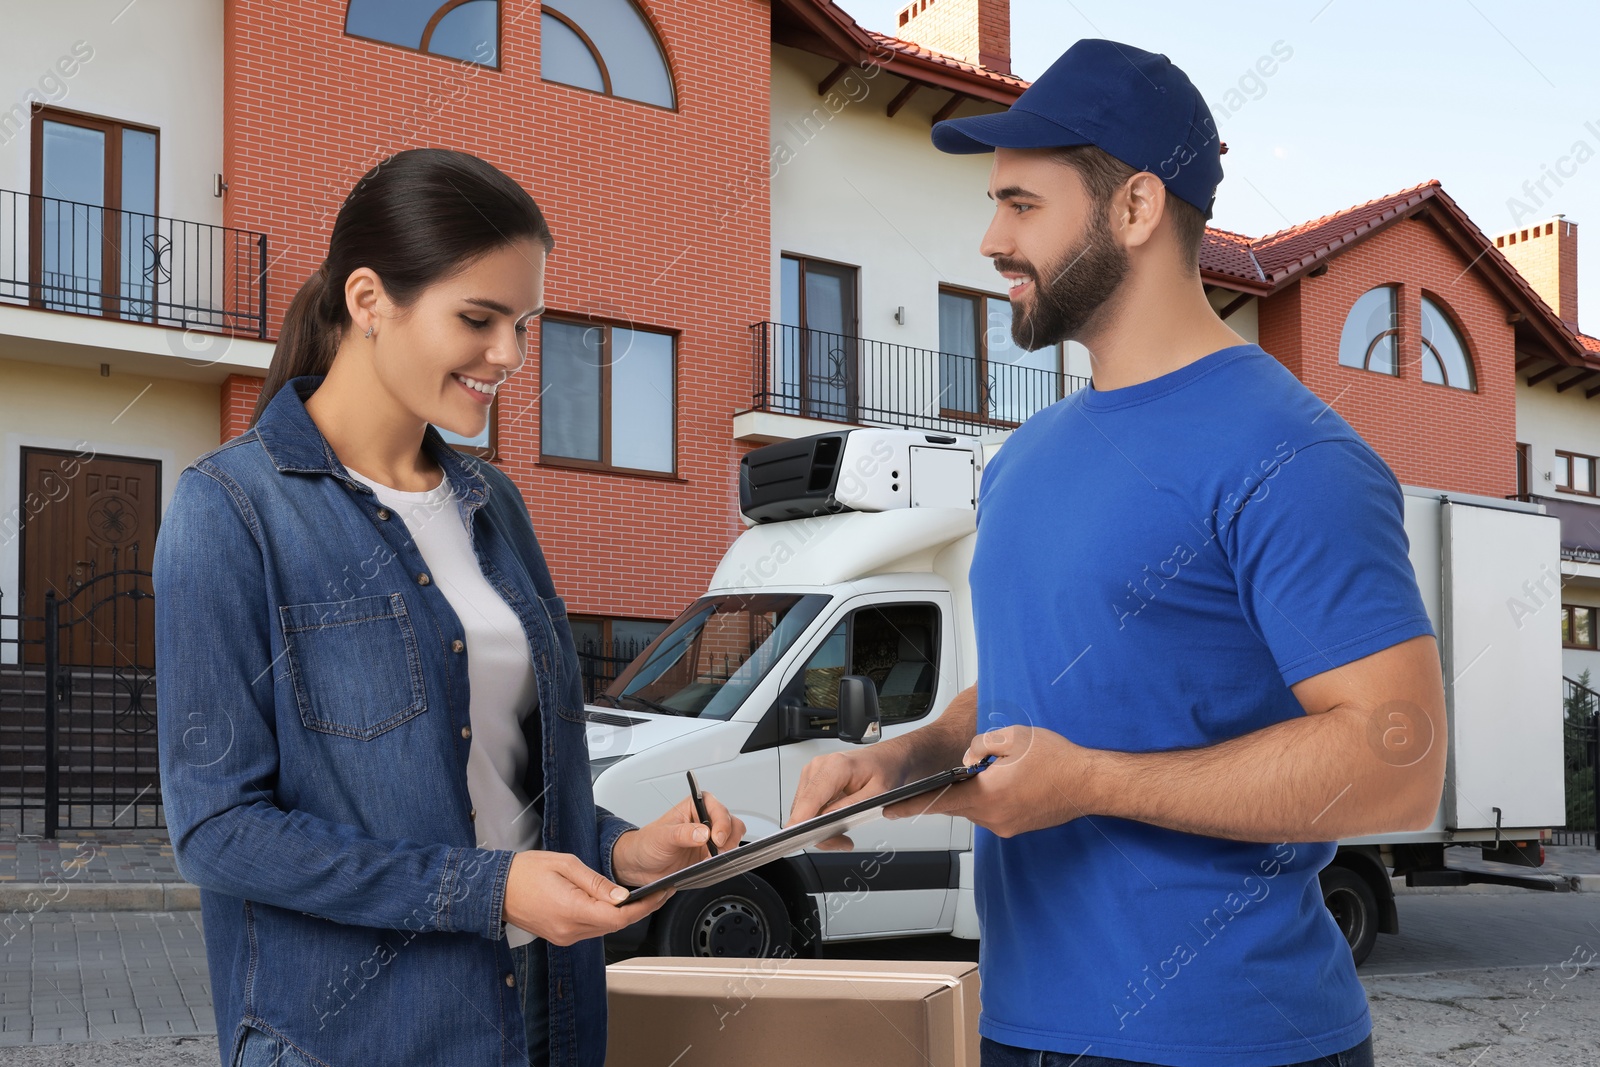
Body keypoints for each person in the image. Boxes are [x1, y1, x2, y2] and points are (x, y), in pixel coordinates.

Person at [788, 39, 1446, 1067]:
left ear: (1136, 209)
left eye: (1021, 204)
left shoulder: (1296, 454)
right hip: (1017, 1026)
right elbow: (1039, 682)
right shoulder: (1028, 456)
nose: (990, 238)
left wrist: (1093, 782)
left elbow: (1397, 758)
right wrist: (901, 761)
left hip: (1232, 1041)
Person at [154, 147, 743, 1067]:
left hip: (546, 1021)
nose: (509, 355)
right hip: (356, 1041)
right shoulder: (231, 511)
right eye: (479, 318)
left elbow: (515, 796)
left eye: (523, 323)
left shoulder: (494, 504)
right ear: (367, 301)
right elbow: (218, 830)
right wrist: (489, 890)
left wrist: (627, 851)